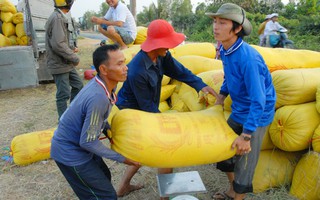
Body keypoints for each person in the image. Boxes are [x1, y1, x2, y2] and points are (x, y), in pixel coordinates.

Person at [115, 19, 220, 198]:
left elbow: (180, 71)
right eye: (167, 44)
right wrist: (166, 127)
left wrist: (200, 85)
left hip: (146, 106)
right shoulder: (137, 71)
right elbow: (147, 108)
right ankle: (166, 195)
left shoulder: (162, 56)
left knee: (142, 152)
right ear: (157, 44)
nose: (170, 48)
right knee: (166, 149)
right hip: (132, 111)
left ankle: (124, 187)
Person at [205, 3, 276, 200]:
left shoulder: (249, 59)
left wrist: (246, 136)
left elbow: (259, 100)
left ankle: (238, 196)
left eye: (222, 23)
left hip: (257, 114)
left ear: (237, 29)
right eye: (215, 22)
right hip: (240, 109)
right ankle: (231, 191)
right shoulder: (225, 49)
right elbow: (229, 76)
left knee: (245, 163)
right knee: (224, 150)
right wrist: (221, 96)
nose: (216, 27)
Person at [50, 44, 140, 200]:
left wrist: (108, 128)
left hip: (80, 147)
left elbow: (95, 118)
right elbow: (88, 142)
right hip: (71, 154)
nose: (125, 68)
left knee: (104, 176)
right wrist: (123, 159)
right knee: (106, 196)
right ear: (104, 70)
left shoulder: (105, 85)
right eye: (119, 64)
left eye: (124, 62)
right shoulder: (98, 97)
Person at [45, 0, 83, 120]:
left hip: (65, 63)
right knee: (63, 94)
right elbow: (58, 44)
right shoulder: (57, 18)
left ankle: (71, 113)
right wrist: (74, 57)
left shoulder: (59, 16)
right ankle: (64, 122)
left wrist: (71, 48)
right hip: (59, 64)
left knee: (78, 85)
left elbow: (59, 40)